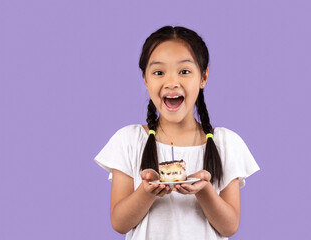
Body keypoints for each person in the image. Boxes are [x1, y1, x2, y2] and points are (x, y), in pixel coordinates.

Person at [94, 26, 260, 240]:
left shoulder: (226, 143)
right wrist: (146, 192)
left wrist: (204, 190)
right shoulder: (129, 140)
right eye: (158, 72)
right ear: (145, 80)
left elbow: (229, 227)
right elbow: (119, 223)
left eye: (184, 71)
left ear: (204, 77)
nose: (171, 82)